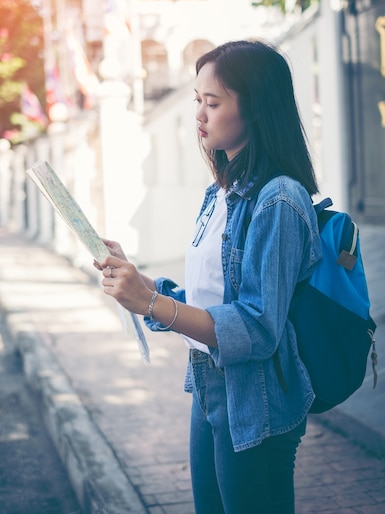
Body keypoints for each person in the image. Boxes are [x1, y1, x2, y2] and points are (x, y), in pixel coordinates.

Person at [96, 40, 322, 514]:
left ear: (256, 108)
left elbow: (258, 327)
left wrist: (152, 306)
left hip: (255, 399)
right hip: (207, 385)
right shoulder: (219, 191)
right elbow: (210, 297)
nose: (198, 114)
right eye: (197, 100)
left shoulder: (279, 200)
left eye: (213, 103)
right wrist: (144, 286)